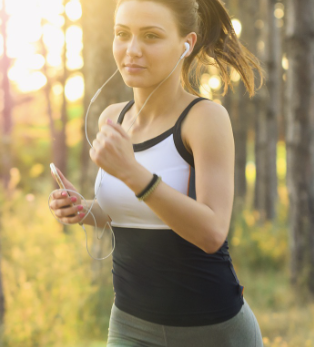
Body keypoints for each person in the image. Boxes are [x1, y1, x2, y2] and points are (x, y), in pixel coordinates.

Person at [49, 0, 266, 345]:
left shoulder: (204, 118)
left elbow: (212, 232)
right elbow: (129, 211)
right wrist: (85, 210)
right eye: (123, 34)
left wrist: (134, 174)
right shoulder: (112, 117)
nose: (132, 50)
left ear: (187, 44)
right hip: (130, 324)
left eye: (151, 36)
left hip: (212, 328)